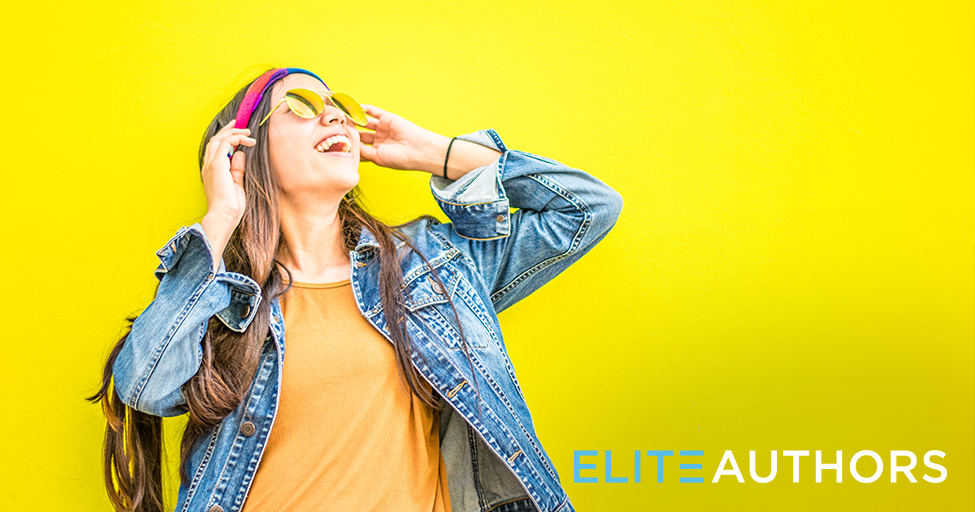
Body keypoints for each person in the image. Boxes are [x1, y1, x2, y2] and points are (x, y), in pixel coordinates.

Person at [88, 67, 623, 512]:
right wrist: (221, 216)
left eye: (337, 105)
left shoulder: (431, 265)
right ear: (241, 152)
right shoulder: (225, 298)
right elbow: (143, 387)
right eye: (299, 105)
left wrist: (435, 152)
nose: (334, 114)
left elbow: (587, 209)